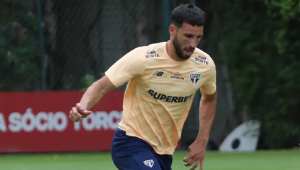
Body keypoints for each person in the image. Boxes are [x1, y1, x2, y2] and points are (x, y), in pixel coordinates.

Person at [69, 3, 217, 170]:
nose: (193, 44)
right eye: (188, 36)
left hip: (165, 150)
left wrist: (202, 140)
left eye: (198, 38)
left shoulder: (204, 65)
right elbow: (101, 86)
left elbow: (209, 98)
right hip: (131, 142)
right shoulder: (143, 57)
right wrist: (82, 106)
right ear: (172, 31)